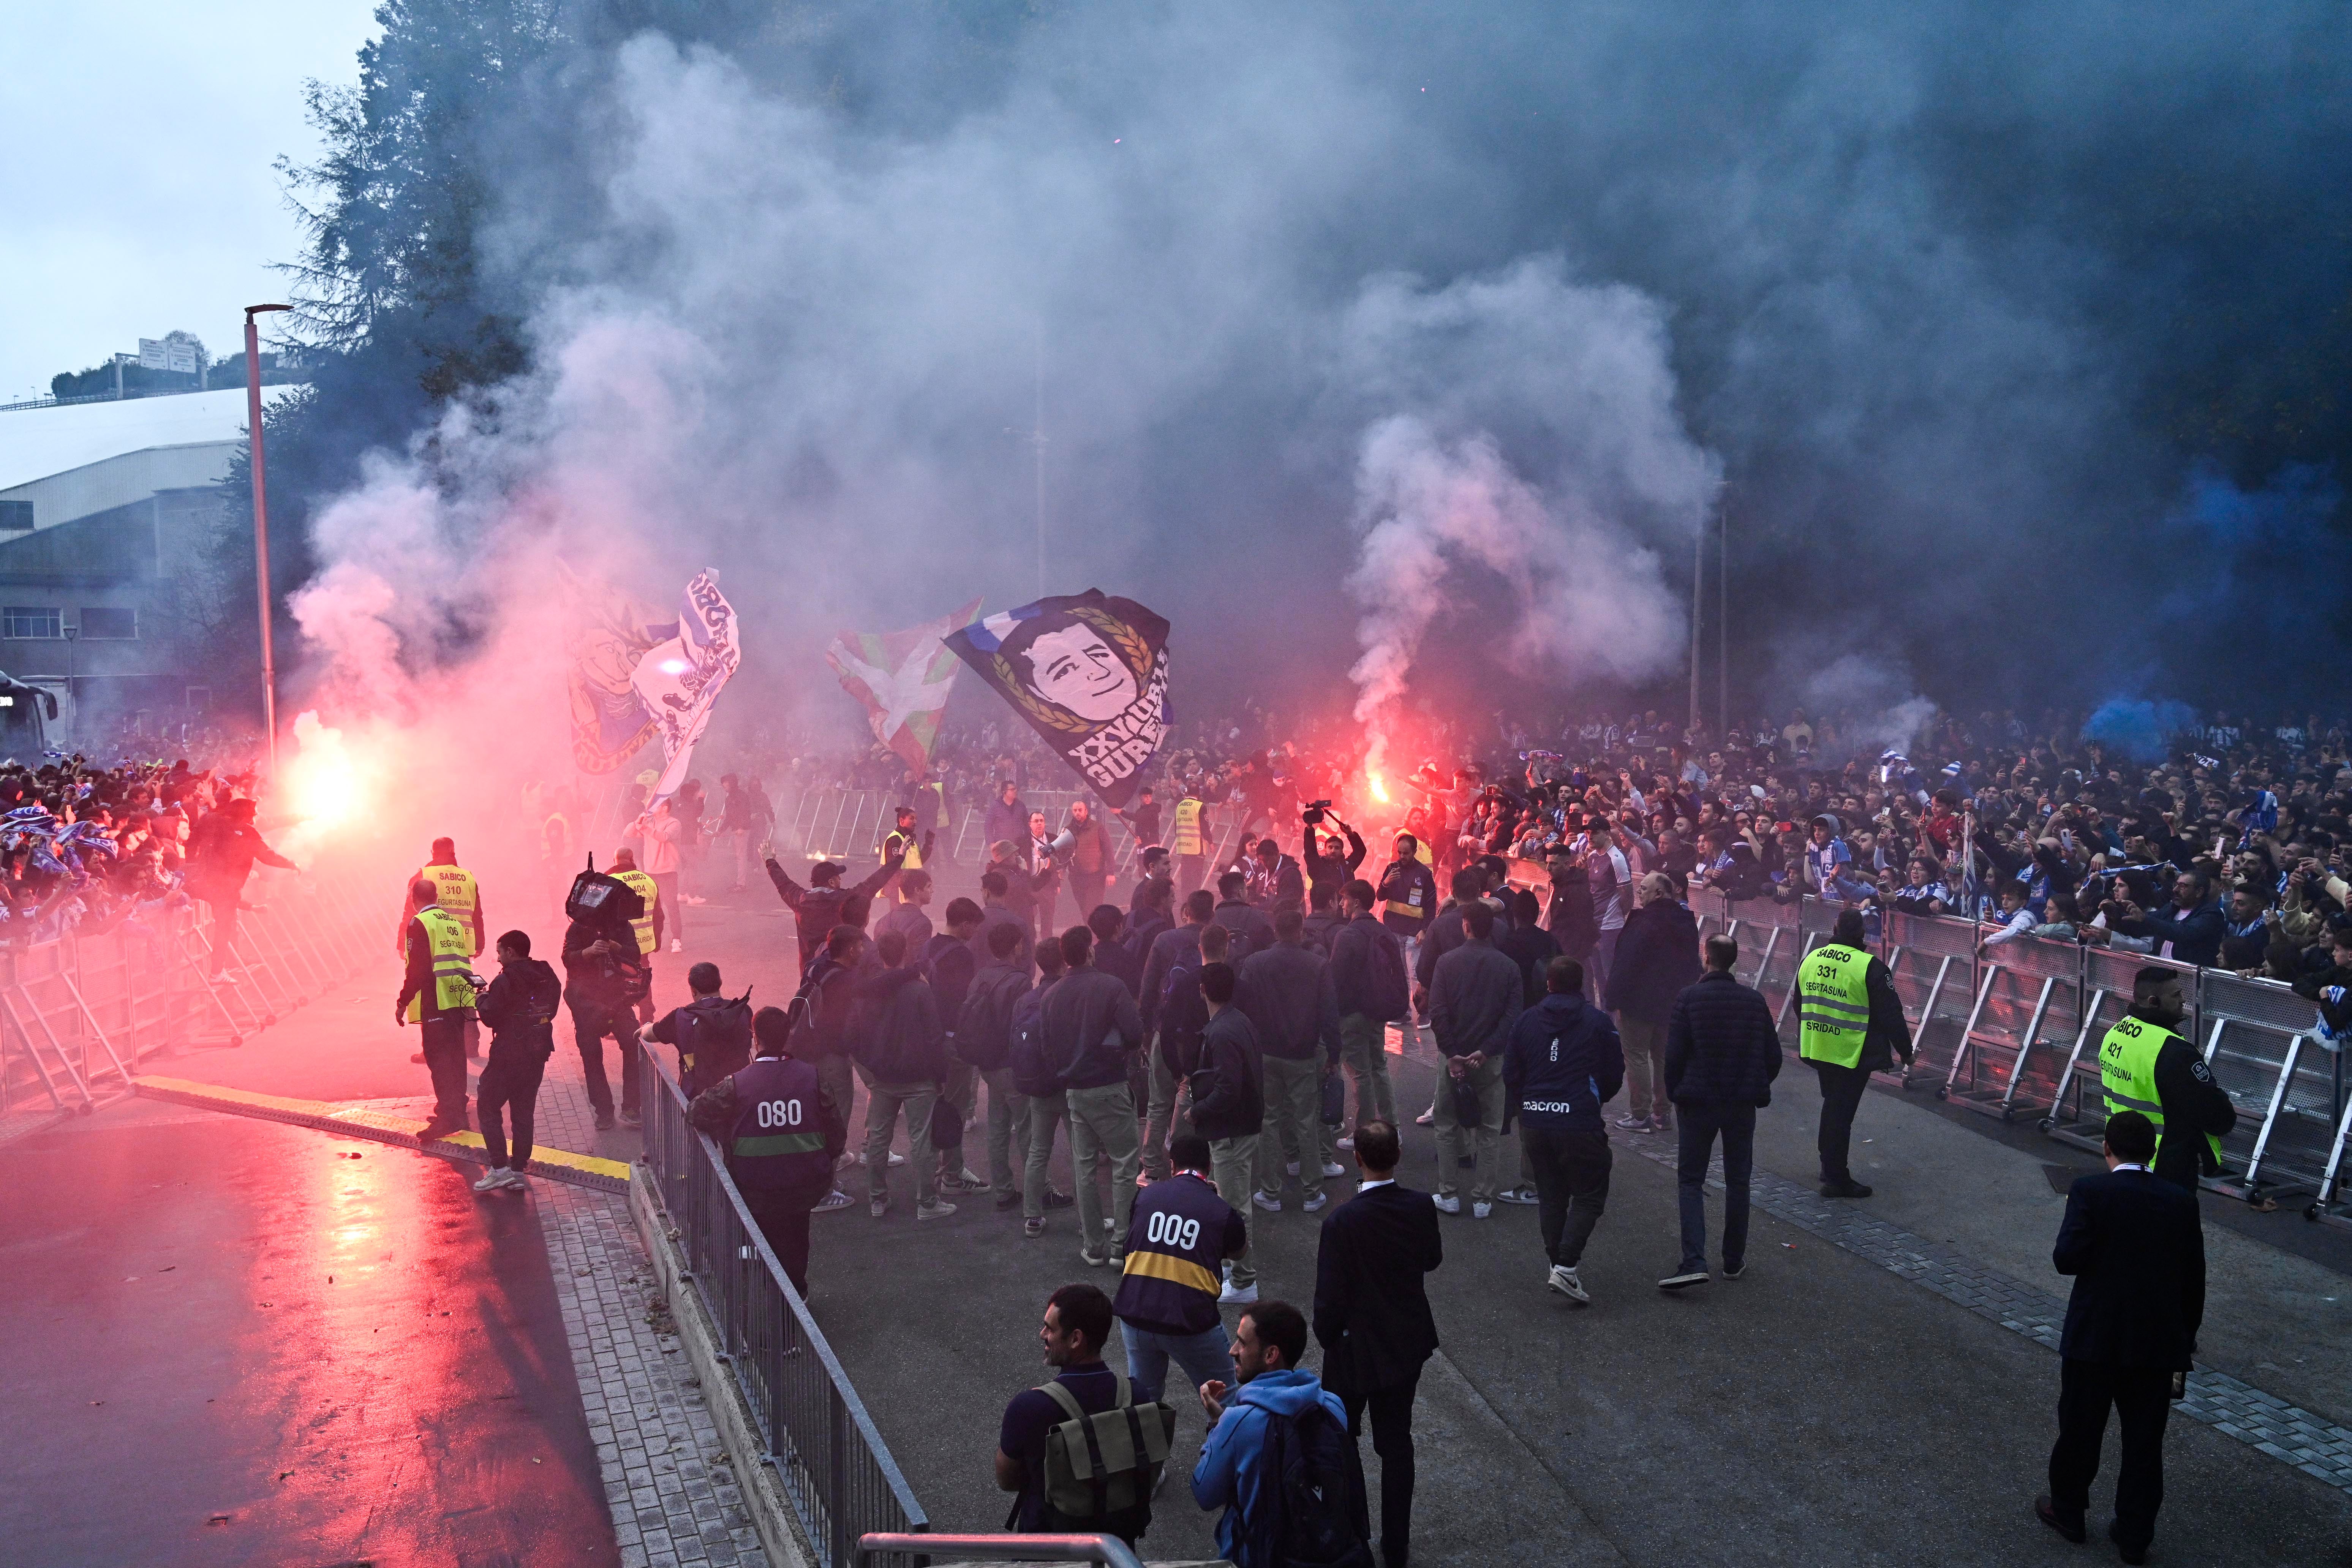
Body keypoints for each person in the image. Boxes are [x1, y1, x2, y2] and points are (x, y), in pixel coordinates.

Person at [2034, 1111, 2204, 1566]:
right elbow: (2194, 1279)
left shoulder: (2091, 1191)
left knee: (2081, 1429)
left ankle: (2067, 1511)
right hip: (2155, 1344)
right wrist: (2184, 1339)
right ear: (2151, 1152)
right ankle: (2134, 1535)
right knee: (2144, 1444)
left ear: (2106, 1148)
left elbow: (2066, 1260)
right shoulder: (2181, 1201)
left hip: (2096, 1337)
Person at [1312, 1120, 1440, 1568]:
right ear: (1398, 1156)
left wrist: (1327, 1338)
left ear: (1357, 1158)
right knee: (1396, 1442)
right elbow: (1432, 1259)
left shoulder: (1342, 1220)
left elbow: (1329, 1298)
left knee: (1341, 1445)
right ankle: (1397, 1543)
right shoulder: (1421, 1206)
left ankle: (1349, 1533)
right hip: (1405, 1341)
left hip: (1352, 1349)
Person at [1191, 1299, 1367, 1568]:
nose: (1232, 1351)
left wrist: (1218, 1426)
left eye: (1242, 1343)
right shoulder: (1332, 1406)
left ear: (1271, 1355)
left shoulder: (1239, 1422)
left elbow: (1204, 1494)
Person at [688, 1005, 847, 1295]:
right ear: (787, 1037)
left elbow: (697, 1112)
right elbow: (836, 1131)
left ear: (755, 1037)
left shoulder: (738, 1083)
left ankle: (771, 1301)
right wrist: (826, 1161)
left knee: (766, 1239)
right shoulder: (812, 1077)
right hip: (805, 1182)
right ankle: (797, 1294)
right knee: (798, 1236)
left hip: (755, 1185)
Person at [996, 1283, 1165, 1547]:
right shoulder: (1136, 1395)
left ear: (1076, 1339)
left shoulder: (1029, 1407)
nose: (1043, 1335)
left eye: (1050, 1329)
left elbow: (1007, 1480)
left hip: (1047, 1550)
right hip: (1114, 1547)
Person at [1657, 934, 1781, 1290]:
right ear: (1734, 961)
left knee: (1691, 1180)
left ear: (1706, 957)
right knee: (1738, 1180)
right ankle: (1733, 1259)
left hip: (1697, 1102)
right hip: (1740, 1105)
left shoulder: (1689, 999)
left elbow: (1674, 1055)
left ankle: (1694, 1259)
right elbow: (1772, 1057)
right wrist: (1754, 1081)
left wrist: (1675, 1092)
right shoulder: (1754, 1002)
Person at [1502, 958, 1624, 1303]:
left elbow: (1511, 1072)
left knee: (1551, 1195)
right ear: (1581, 984)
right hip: (1579, 1121)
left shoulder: (1526, 1021)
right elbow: (1615, 1071)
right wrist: (1593, 1098)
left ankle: (1558, 1265)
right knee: (1589, 1194)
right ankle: (1566, 1267)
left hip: (1536, 1121)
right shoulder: (1597, 1023)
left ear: (1548, 984)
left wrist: (1531, 1100)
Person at [1115, 1130, 1248, 1411]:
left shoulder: (1144, 1197)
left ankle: (1142, 1452)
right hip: (1190, 1319)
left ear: (1172, 1165)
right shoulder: (1220, 1210)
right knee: (1226, 1397)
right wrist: (1219, 1201)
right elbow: (1238, 1252)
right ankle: (1227, 1451)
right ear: (1209, 1166)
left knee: (1143, 1403)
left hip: (1135, 1312)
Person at [1044, 924, 1148, 1266]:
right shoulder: (1111, 986)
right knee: (1123, 1163)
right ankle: (1122, 1245)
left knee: (1084, 1167)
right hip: (1110, 1085)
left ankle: (1093, 1245)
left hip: (1075, 1090)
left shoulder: (1051, 994)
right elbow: (1134, 1033)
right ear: (1090, 951)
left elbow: (1046, 1049)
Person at [1793, 908, 1913, 1198]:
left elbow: (1800, 1003)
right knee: (1840, 1114)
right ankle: (1836, 1178)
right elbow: (1892, 1015)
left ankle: (1828, 1167)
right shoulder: (1870, 967)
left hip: (1819, 1046)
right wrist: (1906, 1053)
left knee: (1832, 1108)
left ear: (1835, 927)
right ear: (1862, 932)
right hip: (1851, 1051)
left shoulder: (1812, 959)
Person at [1239, 906, 1345, 1213]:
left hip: (1266, 1053)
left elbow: (1244, 1008)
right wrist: (1333, 1055)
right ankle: (1312, 1193)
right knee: (1306, 1120)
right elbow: (1329, 1013)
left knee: (1269, 1121)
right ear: (1300, 930)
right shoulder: (1317, 965)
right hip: (1303, 1054)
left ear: (1275, 929)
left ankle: (1270, 1192)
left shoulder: (1255, 963)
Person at [2096, 966, 2238, 1194]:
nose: (2183, 999)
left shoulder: (2115, 1033)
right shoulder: (2174, 1051)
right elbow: (2219, 1117)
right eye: (2176, 995)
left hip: (2121, 1158)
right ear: (2154, 1002)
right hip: (2165, 1165)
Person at [1428, 900, 1524, 1217]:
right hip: (1490, 1060)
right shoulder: (1509, 967)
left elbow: (1438, 1012)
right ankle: (1483, 1198)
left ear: (1466, 925)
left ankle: (1449, 1193)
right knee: (1489, 1128)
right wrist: (1489, 1049)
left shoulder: (1446, 962)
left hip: (1452, 1057)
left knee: (1446, 1124)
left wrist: (1452, 1053)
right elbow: (1512, 1017)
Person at [852, 928, 955, 1221]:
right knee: (922, 1140)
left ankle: (877, 1199)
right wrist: (940, 1075)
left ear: (881, 956)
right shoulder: (920, 990)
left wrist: (871, 1062)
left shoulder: (869, 992)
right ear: (906, 953)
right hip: (919, 1077)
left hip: (883, 1077)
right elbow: (934, 1037)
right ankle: (927, 1202)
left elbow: (856, 1035)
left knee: (878, 1139)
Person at [1191, 957, 1265, 1304]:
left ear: (1203, 990)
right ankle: (1230, 1271)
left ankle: (1244, 1279)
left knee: (1234, 1206)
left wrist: (1197, 1111)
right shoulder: (1241, 1022)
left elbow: (1227, 1090)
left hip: (1231, 1129)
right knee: (1230, 1200)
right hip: (1242, 1124)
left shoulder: (1219, 1032)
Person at [1605, 873, 1701, 1136]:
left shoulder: (1644, 922)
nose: (1640, 893)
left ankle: (1640, 1115)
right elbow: (1693, 964)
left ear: (1659, 893)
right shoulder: (1686, 921)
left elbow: (1625, 963)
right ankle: (1663, 1113)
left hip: (1638, 1002)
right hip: (1671, 1002)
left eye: (1644, 889)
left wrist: (1611, 999)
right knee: (1662, 1057)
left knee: (1636, 1056)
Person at [469, 929, 561, 1192]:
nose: (498, 959)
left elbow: (490, 1017)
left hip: (509, 1053)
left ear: (510, 952)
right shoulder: (547, 973)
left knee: (488, 1105)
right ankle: (518, 1170)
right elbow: (552, 1009)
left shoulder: (505, 980)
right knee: (523, 1111)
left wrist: (481, 999)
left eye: (499, 952)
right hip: (538, 1050)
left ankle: (499, 1168)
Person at [954, 918, 1035, 1210]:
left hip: (987, 1063)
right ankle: (1039, 1191)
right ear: (1017, 946)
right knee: (1028, 1129)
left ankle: (1004, 1191)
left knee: (998, 1129)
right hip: (1011, 1063)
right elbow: (1025, 1025)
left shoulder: (980, 977)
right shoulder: (1020, 980)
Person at [562, 873, 650, 1132]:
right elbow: (567, 958)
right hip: (585, 1000)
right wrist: (587, 953)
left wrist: (616, 947)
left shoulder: (623, 928)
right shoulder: (578, 927)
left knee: (633, 1046)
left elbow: (635, 954)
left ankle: (632, 1108)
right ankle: (604, 1112)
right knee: (591, 1055)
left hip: (617, 998)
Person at [394, 875, 478, 1141]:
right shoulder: (450, 922)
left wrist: (403, 1000)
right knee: (455, 1057)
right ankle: (456, 1111)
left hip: (438, 999)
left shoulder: (419, 923)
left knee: (439, 1059)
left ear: (414, 899)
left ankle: (448, 1119)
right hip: (458, 998)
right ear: (436, 898)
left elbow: (417, 969)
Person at [185, 795, 296, 982]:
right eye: (254, 813)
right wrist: (291, 864)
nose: (256, 816)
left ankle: (219, 971)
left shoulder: (210, 819)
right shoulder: (248, 832)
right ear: (246, 815)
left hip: (203, 882)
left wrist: (192, 867)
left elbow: (191, 842)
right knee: (224, 929)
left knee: (209, 908)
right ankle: (216, 973)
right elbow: (268, 857)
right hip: (226, 888)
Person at [1328, 879, 1406, 1134]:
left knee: (1360, 1073)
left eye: (1345, 899)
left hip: (1352, 1014)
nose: (1342, 903)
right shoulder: (1384, 932)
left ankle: (1364, 1132)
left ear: (1357, 902)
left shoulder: (1347, 935)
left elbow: (1336, 979)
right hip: (1378, 1011)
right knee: (1379, 1068)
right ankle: (1391, 1127)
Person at [1015, 937, 1080, 1236]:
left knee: (1038, 1150)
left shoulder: (1027, 999)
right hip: (1067, 1082)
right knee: (1081, 1151)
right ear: (1065, 960)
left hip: (1037, 1085)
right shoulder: (1068, 994)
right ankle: (1087, 1220)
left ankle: (1032, 1217)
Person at [765, 846, 906, 976]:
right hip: (838, 974)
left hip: (810, 973)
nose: (840, 880)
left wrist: (770, 861)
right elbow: (874, 883)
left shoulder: (800, 900)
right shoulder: (844, 899)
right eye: (838, 878)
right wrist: (899, 859)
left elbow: (783, 882)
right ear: (832, 882)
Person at [639, 959, 752, 1099]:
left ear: (693, 991)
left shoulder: (681, 1017)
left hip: (697, 1101)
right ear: (720, 983)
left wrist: (643, 1028)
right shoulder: (742, 1011)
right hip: (739, 1094)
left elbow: (649, 1034)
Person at [607, 846, 664, 1027]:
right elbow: (659, 915)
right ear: (633, 859)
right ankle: (647, 1018)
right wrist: (657, 940)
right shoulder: (649, 881)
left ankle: (622, 1022)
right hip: (644, 944)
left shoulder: (609, 881)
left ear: (615, 860)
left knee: (617, 980)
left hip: (619, 945)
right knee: (642, 978)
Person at [632, 797, 687, 954]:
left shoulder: (674, 823)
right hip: (650, 871)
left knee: (671, 906)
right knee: (652, 909)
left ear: (665, 808)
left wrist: (644, 828)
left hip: (668, 871)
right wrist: (639, 820)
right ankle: (654, 939)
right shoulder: (649, 822)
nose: (652, 808)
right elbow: (629, 832)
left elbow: (664, 837)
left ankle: (676, 940)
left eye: (656, 805)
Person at [1213, 869, 1276, 965]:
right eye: (1246, 889)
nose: (1247, 893)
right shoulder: (1258, 916)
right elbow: (1270, 947)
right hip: (1250, 974)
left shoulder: (1212, 919)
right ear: (1240, 893)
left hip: (1219, 975)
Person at [1064, 800, 1115, 917]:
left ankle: (1095, 935)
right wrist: (1061, 870)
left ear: (1086, 811)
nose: (1078, 813)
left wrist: (1111, 873)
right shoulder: (1068, 830)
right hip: (1076, 878)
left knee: (1093, 909)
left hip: (1096, 876)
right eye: (1075, 811)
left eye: (1080, 810)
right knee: (1084, 909)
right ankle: (1091, 934)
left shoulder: (1098, 828)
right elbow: (1064, 853)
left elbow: (1109, 850)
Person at [1168, 783, 1215, 899]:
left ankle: (1185, 899)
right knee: (1196, 876)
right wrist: (1211, 842)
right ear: (1199, 793)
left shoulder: (1180, 806)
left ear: (1187, 792)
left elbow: (1176, 826)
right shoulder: (1200, 806)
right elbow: (1205, 827)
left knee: (1186, 875)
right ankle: (1195, 899)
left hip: (1184, 847)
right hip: (1197, 848)